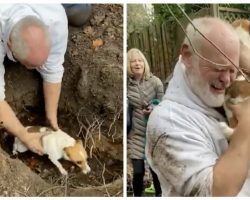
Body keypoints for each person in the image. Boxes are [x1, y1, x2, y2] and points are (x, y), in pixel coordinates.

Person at [146, 17, 250, 196]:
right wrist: (246, 127)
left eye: (234, 70)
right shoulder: (167, 120)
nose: (227, 80)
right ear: (187, 56)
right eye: (218, 68)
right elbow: (215, 193)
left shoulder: (213, 100)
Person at [0, 5, 68, 155]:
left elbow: (53, 69)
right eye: (30, 65)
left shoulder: (56, 19)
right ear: (10, 46)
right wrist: (25, 136)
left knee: (82, 12)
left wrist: (52, 121)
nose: (34, 69)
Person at [127, 48, 163, 196]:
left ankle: (159, 195)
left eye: (140, 60)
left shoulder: (155, 82)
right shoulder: (126, 84)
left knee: (156, 171)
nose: (137, 63)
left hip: (155, 132)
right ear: (129, 65)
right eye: (133, 61)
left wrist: (154, 106)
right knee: (138, 172)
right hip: (137, 134)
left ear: (144, 63)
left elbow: (164, 101)